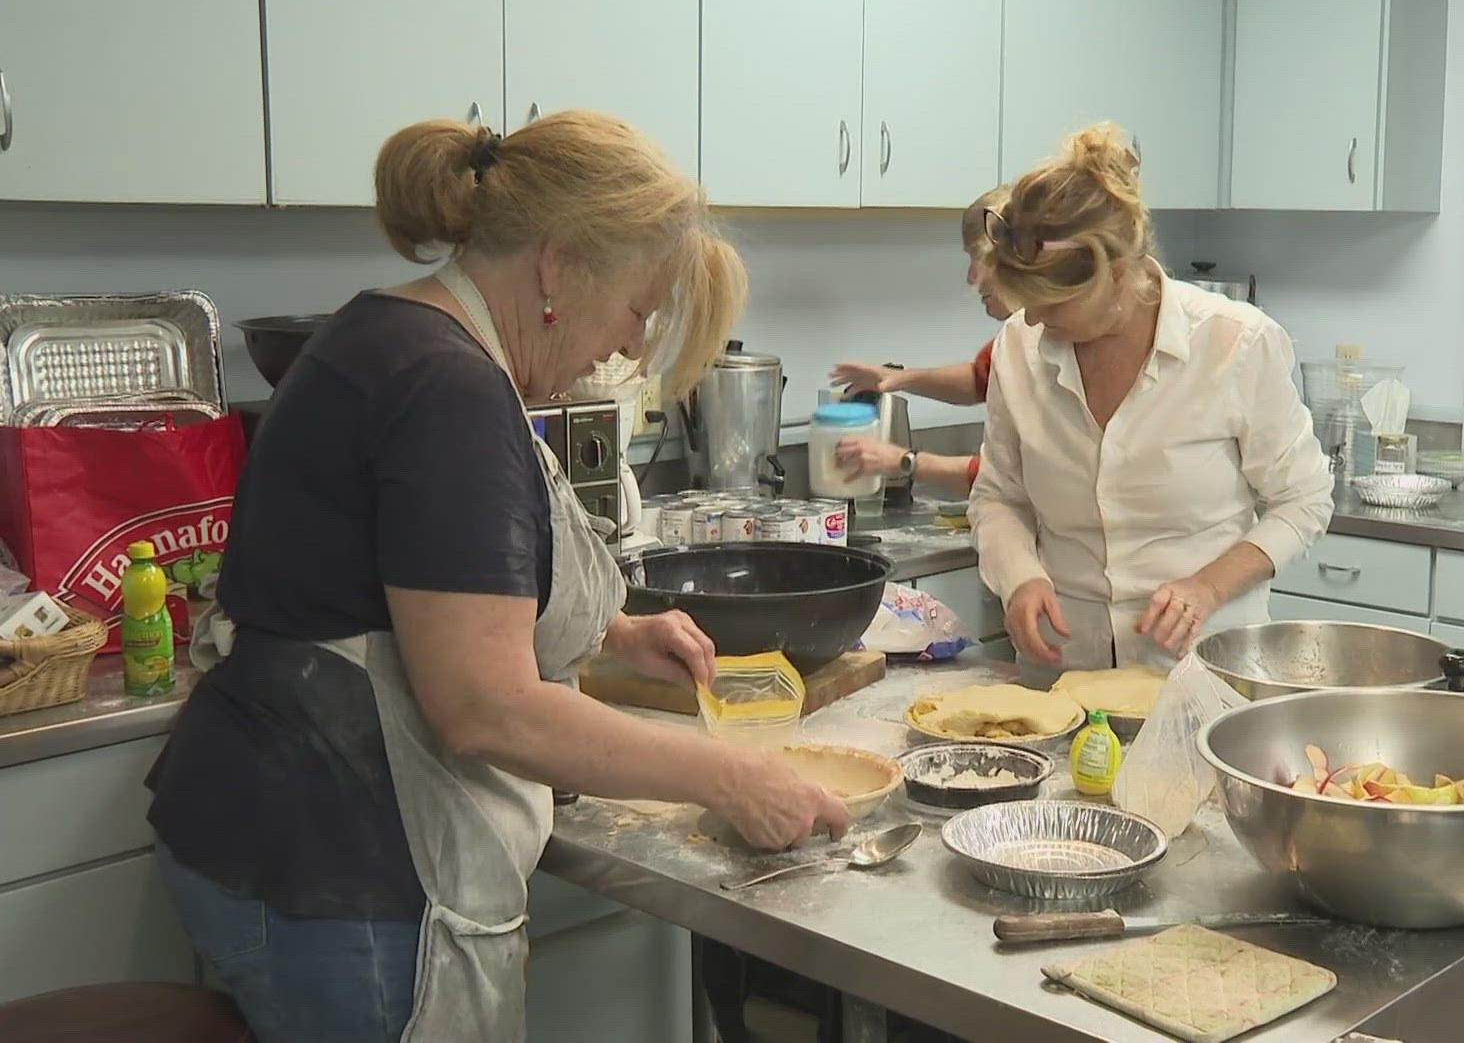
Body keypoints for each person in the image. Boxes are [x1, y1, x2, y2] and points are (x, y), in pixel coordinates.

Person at [144, 111, 849, 1043]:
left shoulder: (394, 333)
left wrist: (615, 633)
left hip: (277, 833)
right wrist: (727, 776)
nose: (634, 348)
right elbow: (487, 708)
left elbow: (406, 588)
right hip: (344, 865)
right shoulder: (446, 391)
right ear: (557, 266)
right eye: (639, 310)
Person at [970, 123, 1334, 679]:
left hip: (1202, 668)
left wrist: (1207, 588)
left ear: (1119, 276)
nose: (1036, 321)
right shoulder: (1020, 345)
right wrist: (1020, 576)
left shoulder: (1235, 342)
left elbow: (1303, 502)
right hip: (1065, 666)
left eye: (1055, 307)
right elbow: (999, 496)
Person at [828, 187, 1012, 496]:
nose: (971, 277)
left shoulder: (1058, 343)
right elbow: (981, 379)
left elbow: (1020, 482)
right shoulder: (1019, 339)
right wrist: (899, 379)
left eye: (978, 257)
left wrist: (905, 461)